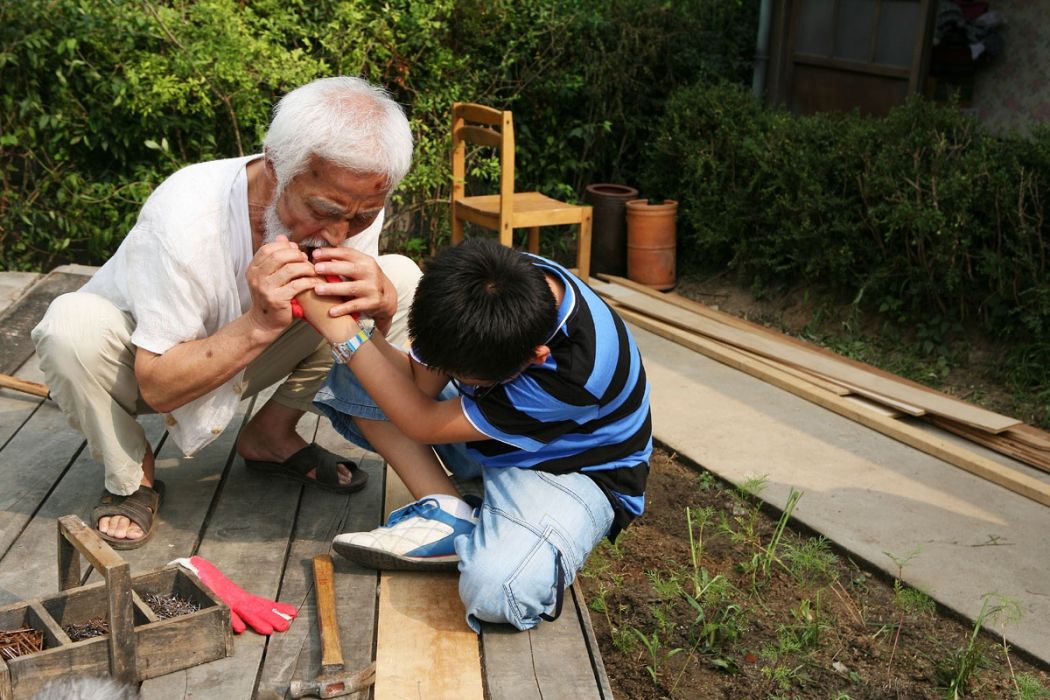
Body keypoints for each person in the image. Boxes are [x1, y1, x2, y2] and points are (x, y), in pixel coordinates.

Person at [30, 76, 420, 549]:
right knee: (69, 326)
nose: (339, 234)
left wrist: (381, 308)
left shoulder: (351, 199)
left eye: (360, 217)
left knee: (396, 276)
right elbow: (157, 386)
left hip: (248, 357)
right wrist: (259, 323)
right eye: (324, 210)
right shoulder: (185, 214)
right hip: (136, 371)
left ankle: (271, 436)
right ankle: (133, 476)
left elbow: (346, 318)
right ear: (276, 167)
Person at [297, 238, 651, 632]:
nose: (448, 372)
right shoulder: (483, 281)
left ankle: (509, 528)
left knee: (496, 590)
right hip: (497, 432)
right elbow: (423, 387)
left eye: (463, 376)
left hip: (570, 468)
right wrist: (355, 323)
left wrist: (343, 332)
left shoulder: (576, 371)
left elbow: (422, 422)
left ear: (535, 357)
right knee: (363, 370)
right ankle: (451, 511)